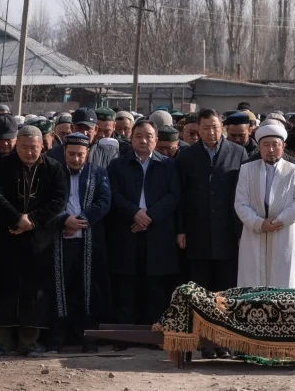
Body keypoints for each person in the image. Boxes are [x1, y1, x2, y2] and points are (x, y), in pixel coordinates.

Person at [0, 126, 67, 357]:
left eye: (34, 147)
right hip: (6, 236)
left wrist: (31, 220)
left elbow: (58, 200)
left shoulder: (54, 168)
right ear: (16, 145)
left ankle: (28, 343)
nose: (29, 152)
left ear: (42, 146)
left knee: (35, 292)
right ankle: (0, 343)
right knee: (2, 288)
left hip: (38, 238)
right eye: (24, 147)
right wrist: (16, 219)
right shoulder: (3, 166)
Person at [174, 108, 248, 356]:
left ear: (222, 126)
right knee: (201, 291)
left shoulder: (238, 153)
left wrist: (241, 233)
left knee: (226, 292)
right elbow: (180, 196)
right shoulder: (186, 156)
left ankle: (226, 342)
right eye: (205, 128)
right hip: (198, 233)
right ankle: (205, 342)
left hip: (228, 234)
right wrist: (181, 229)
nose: (211, 132)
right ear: (198, 129)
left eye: (215, 127)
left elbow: (243, 195)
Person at [107, 121, 181, 327]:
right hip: (127, 230)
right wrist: (134, 213)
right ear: (131, 139)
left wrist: (148, 217)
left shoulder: (168, 165)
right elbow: (113, 194)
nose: (143, 140)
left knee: (155, 287)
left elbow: (174, 196)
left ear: (156, 140)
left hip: (158, 233)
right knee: (126, 284)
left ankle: (154, 333)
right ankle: (124, 333)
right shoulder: (117, 165)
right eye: (138, 135)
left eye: (148, 136)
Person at [50, 133, 111, 354]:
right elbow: (48, 201)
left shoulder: (98, 173)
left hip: (89, 241)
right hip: (60, 240)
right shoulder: (54, 172)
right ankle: (57, 338)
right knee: (60, 289)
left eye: (80, 154)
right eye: (71, 154)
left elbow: (104, 202)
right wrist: (64, 220)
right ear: (64, 152)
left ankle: (89, 338)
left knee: (88, 290)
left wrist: (80, 222)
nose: (76, 159)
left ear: (87, 154)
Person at [234, 123, 295, 287]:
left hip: (284, 233)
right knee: (253, 285)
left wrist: (275, 223)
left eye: (275, 145)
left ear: (284, 146)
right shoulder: (247, 170)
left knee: (283, 283)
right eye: (266, 145)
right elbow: (240, 203)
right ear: (259, 147)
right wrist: (260, 224)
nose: (270, 150)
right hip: (254, 233)